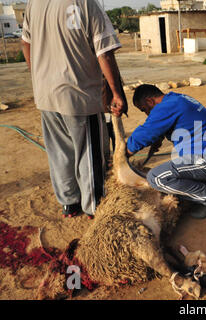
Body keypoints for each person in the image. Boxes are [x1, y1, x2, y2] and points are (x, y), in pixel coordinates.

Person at [22, 0, 126, 219]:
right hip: (79, 96)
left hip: (46, 95)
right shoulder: (85, 3)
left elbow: (26, 43)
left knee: (60, 153)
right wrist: (116, 92)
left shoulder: (34, 4)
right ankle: (93, 206)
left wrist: (39, 76)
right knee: (89, 154)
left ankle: (69, 203)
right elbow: (104, 52)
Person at [126, 84, 206, 219]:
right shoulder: (177, 98)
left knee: (156, 178)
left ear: (149, 101)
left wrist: (123, 154)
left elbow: (145, 133)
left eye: (144, 109)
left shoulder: (165, 108)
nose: (147, 114)